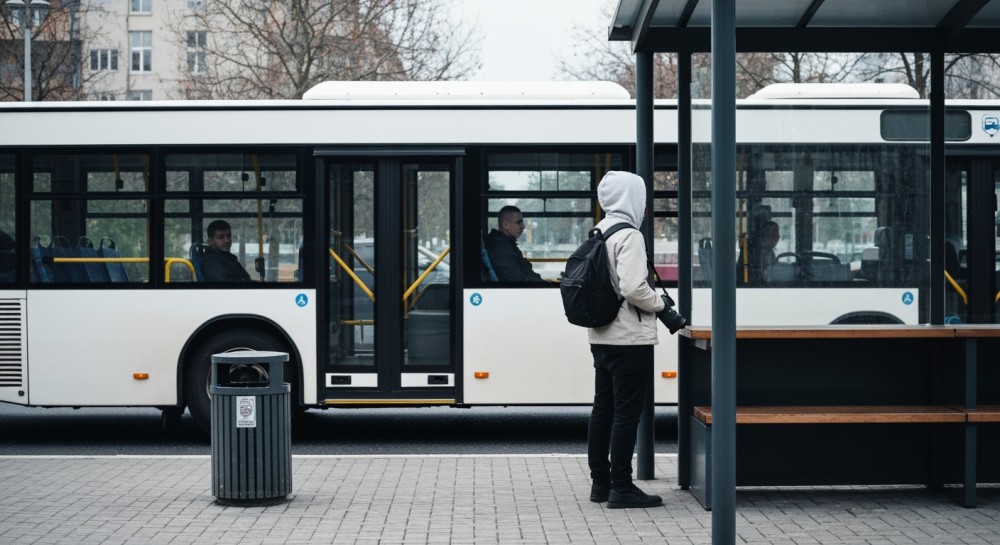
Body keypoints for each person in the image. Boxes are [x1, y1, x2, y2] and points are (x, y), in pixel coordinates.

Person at [586, 170, 674, 509]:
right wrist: (661, 304)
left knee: (602, 411)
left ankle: (601, 485)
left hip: (602, 336)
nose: (647, 205)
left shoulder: (600, 231)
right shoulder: (630, 236)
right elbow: (635, 288)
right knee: (626, 415)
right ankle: (622, 487)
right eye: (643, 197)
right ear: (631, 198)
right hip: (629, 340)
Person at [484, 205, 543, 282]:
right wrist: (540, 283)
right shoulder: (501, 249)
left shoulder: (507, 244)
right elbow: (518, 280)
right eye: (519, 222)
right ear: (505, 225)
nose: (523, 226)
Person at [737, 220, 779, 284]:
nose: (777, 239)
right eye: (775, 236)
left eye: (778, 236)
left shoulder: (769, 251)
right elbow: (758, 272)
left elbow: (774, 267)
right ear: (766, 235)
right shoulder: (754, 250)